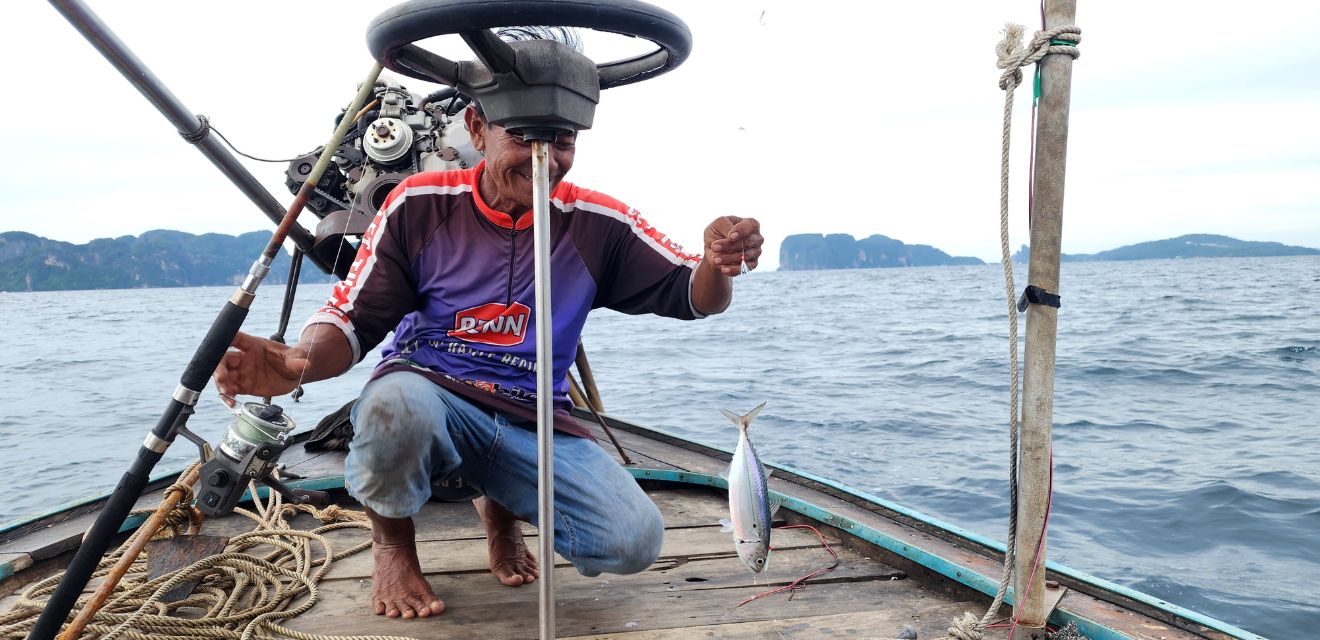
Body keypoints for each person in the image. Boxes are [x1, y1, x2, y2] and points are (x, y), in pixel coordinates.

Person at [214, 102, 763, 620]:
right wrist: (298, 361)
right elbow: (352, 317)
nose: (545, 156)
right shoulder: (417, 203)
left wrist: (718, 263)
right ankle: (394, 548)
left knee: (632, 541)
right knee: (393, 407)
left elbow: (692, 294)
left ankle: (499, 514)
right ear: (477, 130)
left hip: (534, 415)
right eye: (522, 137)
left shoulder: (597, 221)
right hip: (432, 393)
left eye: (563, 141)